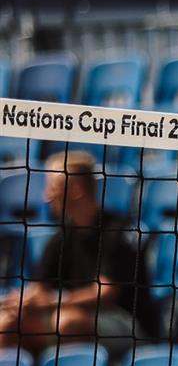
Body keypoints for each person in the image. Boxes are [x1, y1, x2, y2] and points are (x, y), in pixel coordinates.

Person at [0, 150, 155, 355]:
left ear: (76, 190)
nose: (46, 197)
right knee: (8, 322)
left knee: (66, 323)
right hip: (70, 312)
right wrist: (24, 302)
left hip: (126, 323)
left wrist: (52, 302)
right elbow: (40, 288)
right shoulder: (61, 237)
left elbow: (105, 294)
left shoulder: (120, 229)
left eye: (52, 188)